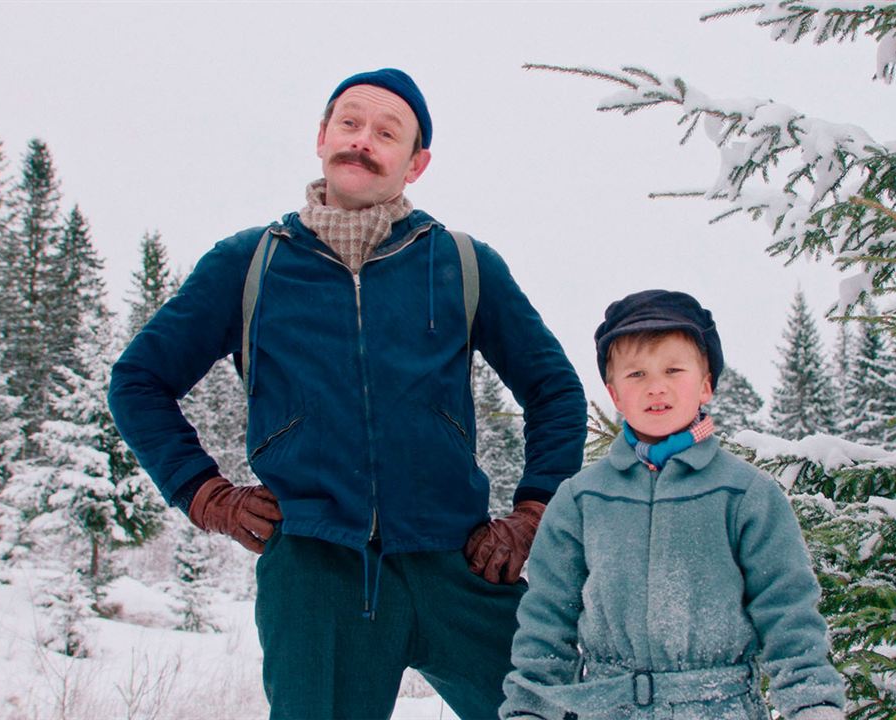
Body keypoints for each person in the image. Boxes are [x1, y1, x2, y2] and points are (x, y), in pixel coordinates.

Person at [108, 68, 587, 720]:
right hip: (315, 575)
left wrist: (533, 516)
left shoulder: (465, 266)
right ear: (322, 137)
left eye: (387, 133)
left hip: (460, 565)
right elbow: (138, 380)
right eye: (350, 123)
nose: (363, 140)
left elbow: (555, 389)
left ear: (416, 163)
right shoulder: (249, 265)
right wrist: (206, 495)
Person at [500, 290, 847, 720]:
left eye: (673, 369)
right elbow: (546, 622)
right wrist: (531, 709)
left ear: (705, 385)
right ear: (614, 394)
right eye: (637, 374)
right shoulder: (581, 500)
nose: (656, 386)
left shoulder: (745, 494)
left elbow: (788, 612)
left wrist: (812, 705)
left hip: (720, 708)